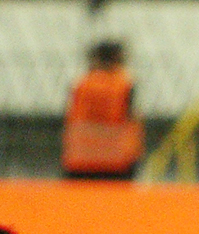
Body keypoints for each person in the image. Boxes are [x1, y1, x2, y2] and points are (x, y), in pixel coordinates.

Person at [62, 40, 144, 179]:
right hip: (118, 161)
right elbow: (131, 117)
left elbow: (70, 117)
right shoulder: (124, 84)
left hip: (80, 159)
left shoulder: (80, 84)